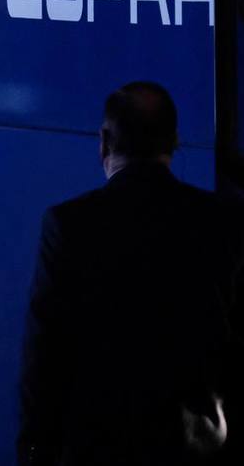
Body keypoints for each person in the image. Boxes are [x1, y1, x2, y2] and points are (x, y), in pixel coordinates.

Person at [18, 82, 244, 465]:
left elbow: (45, 353)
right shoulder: (222, 222)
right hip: (194, 446)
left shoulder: (69, 225)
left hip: (98, 446)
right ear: (174, 142)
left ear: (104, 142)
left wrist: (35, 449)